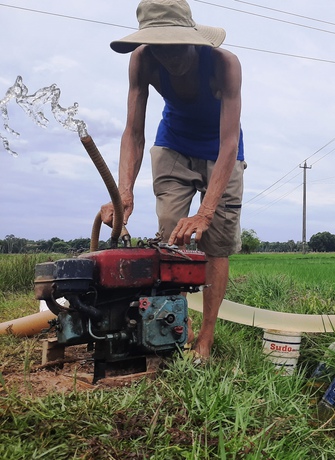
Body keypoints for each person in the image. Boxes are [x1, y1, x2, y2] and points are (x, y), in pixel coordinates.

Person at [101, 0, 246, 361]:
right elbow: (133, 131)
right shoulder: (143, 60)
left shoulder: (223, 64)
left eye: (178, 46)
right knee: (172, 237)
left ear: (193, 38)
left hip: (221, 149)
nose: (172, 57)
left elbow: (229, 141)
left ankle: (206, 340)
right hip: (173, 145)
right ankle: (176, 327)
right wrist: (125, 193)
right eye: (162, 47)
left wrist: (206, 212)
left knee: (215, 242)